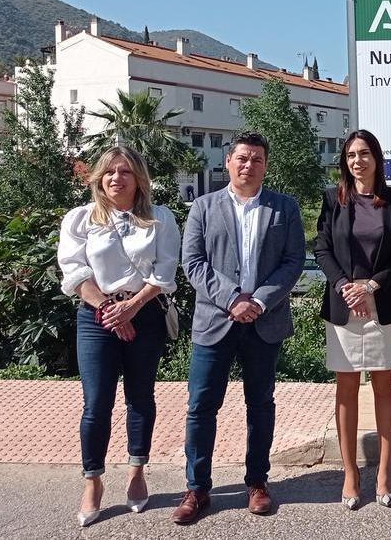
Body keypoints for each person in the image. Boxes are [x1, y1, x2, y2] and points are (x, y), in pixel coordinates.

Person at [172, 131, 305, 524]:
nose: (249, 165)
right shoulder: (203, 206)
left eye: (257, 160)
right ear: (228, 161)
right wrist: (232, 299)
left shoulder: (285, 208)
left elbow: (293, 261)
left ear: (266, 165)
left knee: (260, 405)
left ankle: (257, 482)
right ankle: (197, 488)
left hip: (265, 322)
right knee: (200, 408)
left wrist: (259, 301)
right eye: (242, 158)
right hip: (215, 321)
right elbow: (193, 262)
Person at [58, 145, 181, 527]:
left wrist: (132, 307)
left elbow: (165, 272)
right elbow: (74, 272)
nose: (116, 178)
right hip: (96, 319)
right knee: (96, 404)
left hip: (144, 316)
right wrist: (109, 311)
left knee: (140, 398)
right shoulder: (80, 220)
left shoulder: (160, 219)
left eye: (125, 172)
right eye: (110, 172)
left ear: (139, 178)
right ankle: (92, 480)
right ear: (99, 177)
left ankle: (136, 471)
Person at [314, 130, 391, 510]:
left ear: (377, 159)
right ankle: (351, 473)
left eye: (365, 153)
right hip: (342, 307)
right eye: (352, 155)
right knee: (347, 388)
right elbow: (321, 246)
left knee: (384, 385)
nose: (358, 160)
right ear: (345, 161)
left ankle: (384, 474)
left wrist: (370, 285)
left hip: (381, 304)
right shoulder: (332, 199)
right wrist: (344, 286)